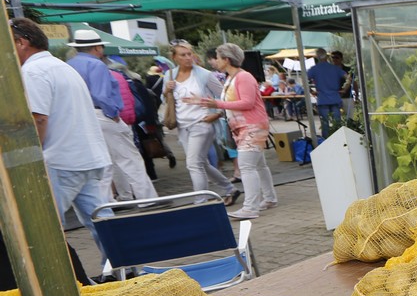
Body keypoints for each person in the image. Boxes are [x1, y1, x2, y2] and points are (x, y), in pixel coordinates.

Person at [11, 18, 114, 267]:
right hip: (87, 156)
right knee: (103, 223)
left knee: (46, 229)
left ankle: (58, 279)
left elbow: (38, 118)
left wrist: (30, 158)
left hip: (61, 159)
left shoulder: (33, 71)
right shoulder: (63, 67)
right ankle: (125, 269)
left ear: (21, 42)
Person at [64, 29, 157, 201]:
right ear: (97, 47)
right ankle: (146, 198)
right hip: (102, 113)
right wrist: (113, 113)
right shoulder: (97, 65)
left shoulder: (69, 65)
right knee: (129, 158)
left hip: (82, 116)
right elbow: (101, 95)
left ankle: (113, 200)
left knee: (105, 162)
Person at [186, 43, 276, 220]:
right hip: (246, 127)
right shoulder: (232, 78)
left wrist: (217, 104)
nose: (215, 61)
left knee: (246, 166)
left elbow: (247, 103)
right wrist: (206, 102)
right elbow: (233, 102)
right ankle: (269, 198)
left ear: (227, 59)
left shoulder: (243, 77)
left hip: (251, 126)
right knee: (258, 165)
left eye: (218, 58)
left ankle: (250, 207)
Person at [165, 40, 239, 204]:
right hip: (182, 126)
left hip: (202, 123)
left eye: (189, 54)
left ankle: (201, 201)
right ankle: (229, 188)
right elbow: (168, 100)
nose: (188, 58)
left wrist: (217, 114)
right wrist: (166, 90)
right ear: (174, 57)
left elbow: (226, 96)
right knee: (201, 163)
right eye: (183, 55)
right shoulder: (170, 75)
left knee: (193, 164)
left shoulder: (204, 74)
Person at [306, 48, 346, 137]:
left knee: (325, 123)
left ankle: (326, 140)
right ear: (326, 56)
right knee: (337, 122)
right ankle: (340, 140)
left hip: (322, 98)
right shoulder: (335, 68)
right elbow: (348, 78)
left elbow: (304, 81)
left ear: (317, 57)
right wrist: (344, 89)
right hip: (335, 98)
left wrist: (311, 91)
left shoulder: (314, 69)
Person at [331, 50, 355, 119]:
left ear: (341, 59)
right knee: (335, 119)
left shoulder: (348, 70)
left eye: (336, 57)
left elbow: (354, 82)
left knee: (350, 118)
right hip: (334, 98)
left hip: (347, 97)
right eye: (332, 57)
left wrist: (356, 95)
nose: (334, 59)